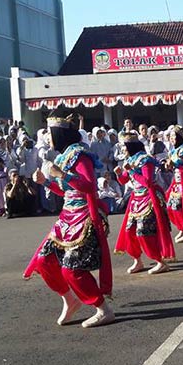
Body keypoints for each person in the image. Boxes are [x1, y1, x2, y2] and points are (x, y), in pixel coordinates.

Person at [25, 116, 114, 328]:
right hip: (66, 217)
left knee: (71, 269)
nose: (47, 136)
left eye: (49, 131)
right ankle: (69, 299)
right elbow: (67, 190)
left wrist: (62, 174)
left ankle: (103, 309)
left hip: (83, 218)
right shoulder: (65, 156)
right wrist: (46, 181)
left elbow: (89, 186)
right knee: (43, 260)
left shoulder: (80, 156)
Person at [114, 137, 176, 275]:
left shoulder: (145, 160)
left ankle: (160, 261)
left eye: (124, 147)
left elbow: (147, 182)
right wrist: (119, 174)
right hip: (136, 199)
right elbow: (124, 180)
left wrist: (131, 172)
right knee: (129, 231)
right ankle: (137, 260)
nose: (123, 150)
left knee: (145, 232)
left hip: (149, 198)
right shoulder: (130, 160)